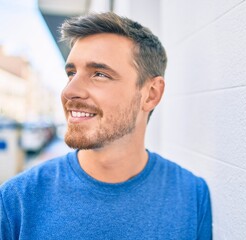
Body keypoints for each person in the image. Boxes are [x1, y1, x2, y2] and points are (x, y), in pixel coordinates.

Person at [0, 12, 212, 239]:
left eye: (99, 74)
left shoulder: (191, 196)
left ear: (150, 94)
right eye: (71, 73)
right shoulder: (18, 200)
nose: (69, 91)